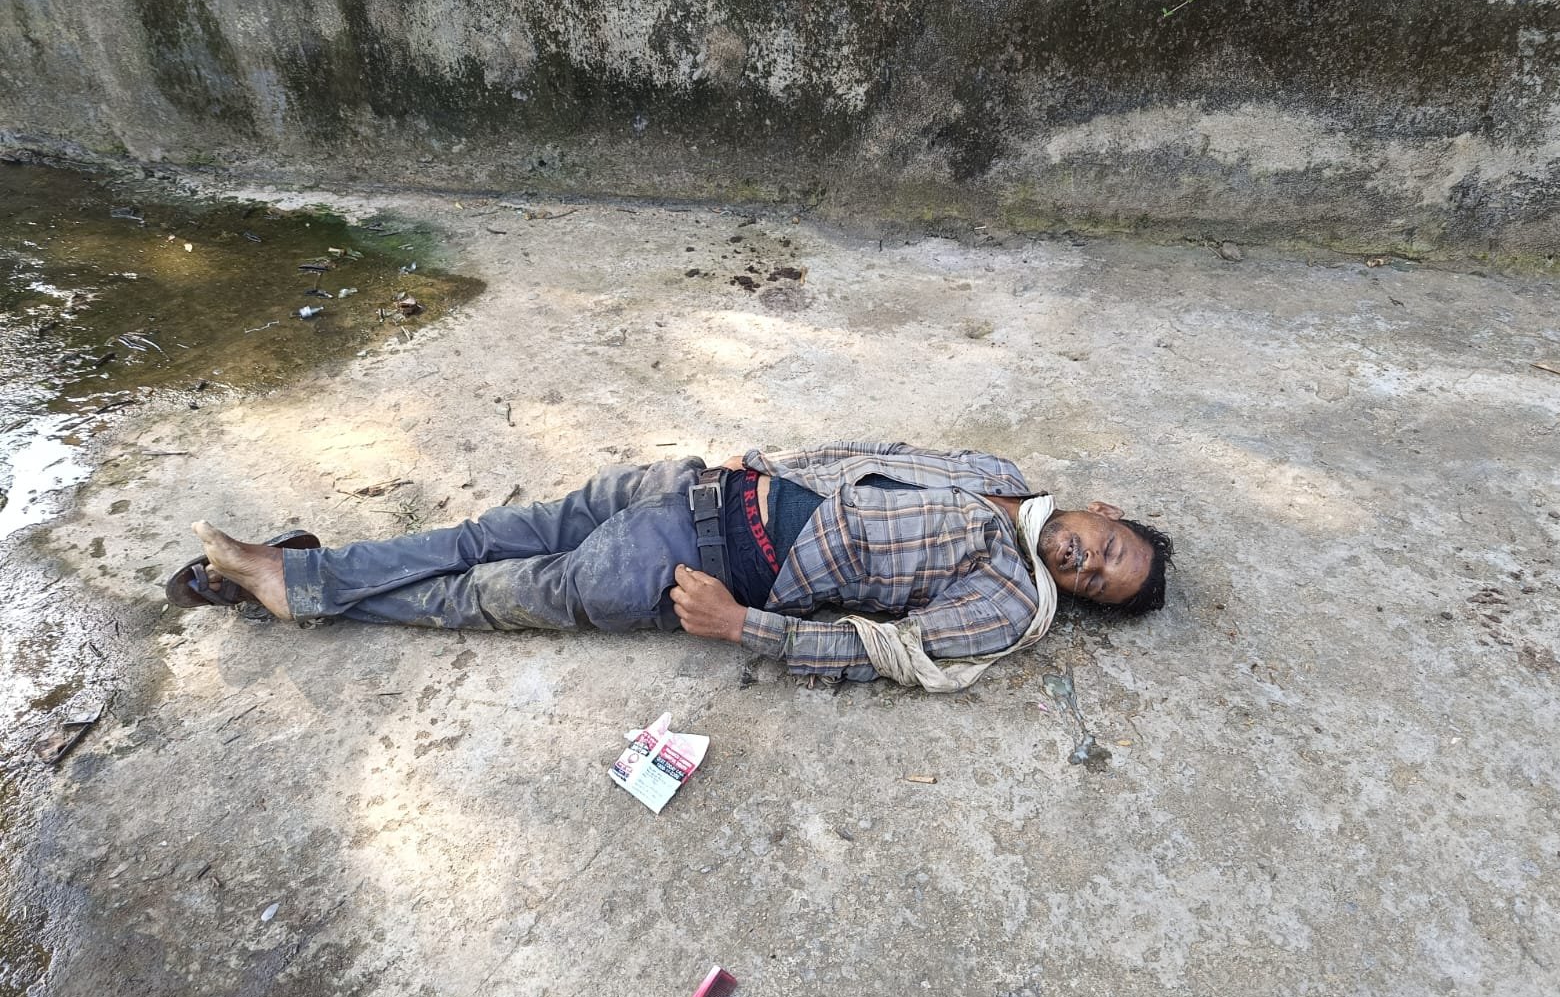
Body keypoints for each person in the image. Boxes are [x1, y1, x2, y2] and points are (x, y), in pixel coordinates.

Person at [171, 441, 1173, 690]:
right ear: (1105, 512)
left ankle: (300, 587)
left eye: (1096, 583)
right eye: (1109, 550)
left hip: (701, 561)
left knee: (484, 593)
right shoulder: (998, 475)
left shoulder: (1008, 599)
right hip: (694, 487)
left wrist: (742, 627)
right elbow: (873, 452)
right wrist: (764, 461)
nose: (1086, 564)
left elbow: (890, 653)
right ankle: (312, 575)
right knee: (486, 534)